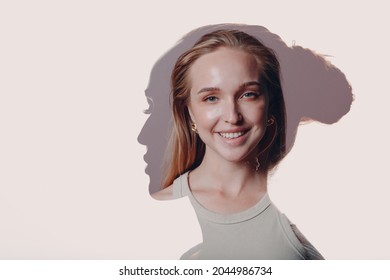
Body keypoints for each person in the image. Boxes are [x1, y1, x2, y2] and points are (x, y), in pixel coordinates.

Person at [152, 29, 323, 260]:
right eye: (211, 98)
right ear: (189, 112)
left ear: (270, 104)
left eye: (248, 95)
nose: (232, 116)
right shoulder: (159, 212)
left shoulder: (307, 200)